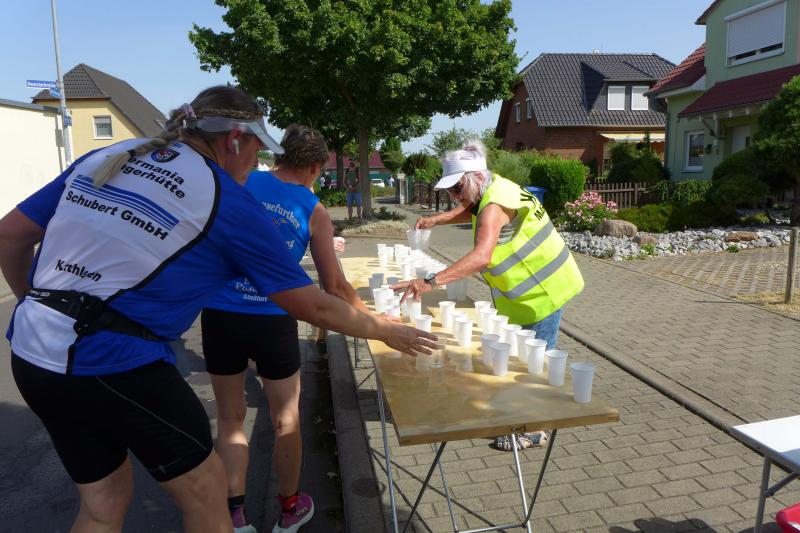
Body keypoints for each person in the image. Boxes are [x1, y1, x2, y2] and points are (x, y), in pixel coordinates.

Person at [0, 85, 433, 533]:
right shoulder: (223, 196)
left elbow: (9, 236)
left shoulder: (110, 155)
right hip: (113, 359)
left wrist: (36, 305)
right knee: (207, 491)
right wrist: (386, 330)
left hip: (31, 350)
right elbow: (313, 306)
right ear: (234, 140)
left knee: (102, 503)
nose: (255, 161)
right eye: (256, 149)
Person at [201, 124, 371, 532]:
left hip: (221, 313)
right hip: (275, 316)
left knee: (230, 419)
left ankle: (236, 515)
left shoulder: (240, 181)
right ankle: (290, 508)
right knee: (286, 419)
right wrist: (374, 322)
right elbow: (335, 286)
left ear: (279, 155)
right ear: (315, 167)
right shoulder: (313, 209)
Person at [394, 139, 584, 452]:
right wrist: (437, 219)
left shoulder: (494, 204)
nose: (455, 196)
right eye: (450, 191)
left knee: (533, 365)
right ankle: (516, 417)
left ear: (478, 177)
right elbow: (473, 210)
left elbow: (482, 256)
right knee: (520, 359)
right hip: (530, 291)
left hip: (543, 291)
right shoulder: (494, 190)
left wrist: (430, 281)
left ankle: (535, 429)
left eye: (458, 188)